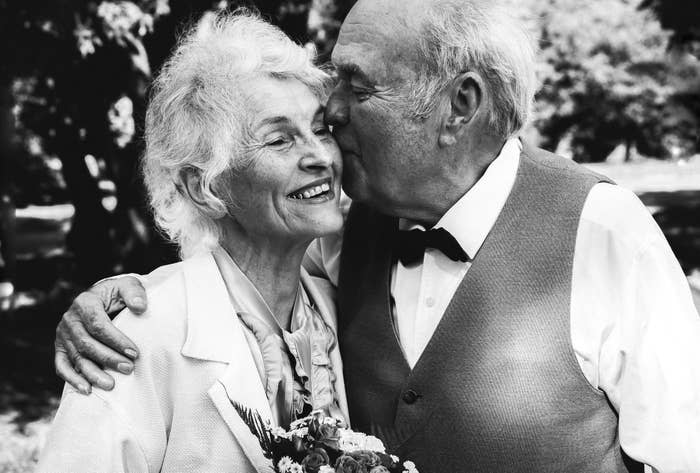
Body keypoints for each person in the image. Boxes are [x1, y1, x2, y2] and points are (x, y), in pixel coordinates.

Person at [54, 0, 700, 472]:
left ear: (460, 106)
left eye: (356, 87)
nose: (333, 120)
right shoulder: (342, 235)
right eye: (284, 135)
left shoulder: (605, 235)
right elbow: (224, 271)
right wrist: (117, 300)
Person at [39, 11, 349, 472]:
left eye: (321, 129)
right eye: (280, 140)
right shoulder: (136, 335)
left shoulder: (338, 304)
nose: (321, 156)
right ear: (205, 185)